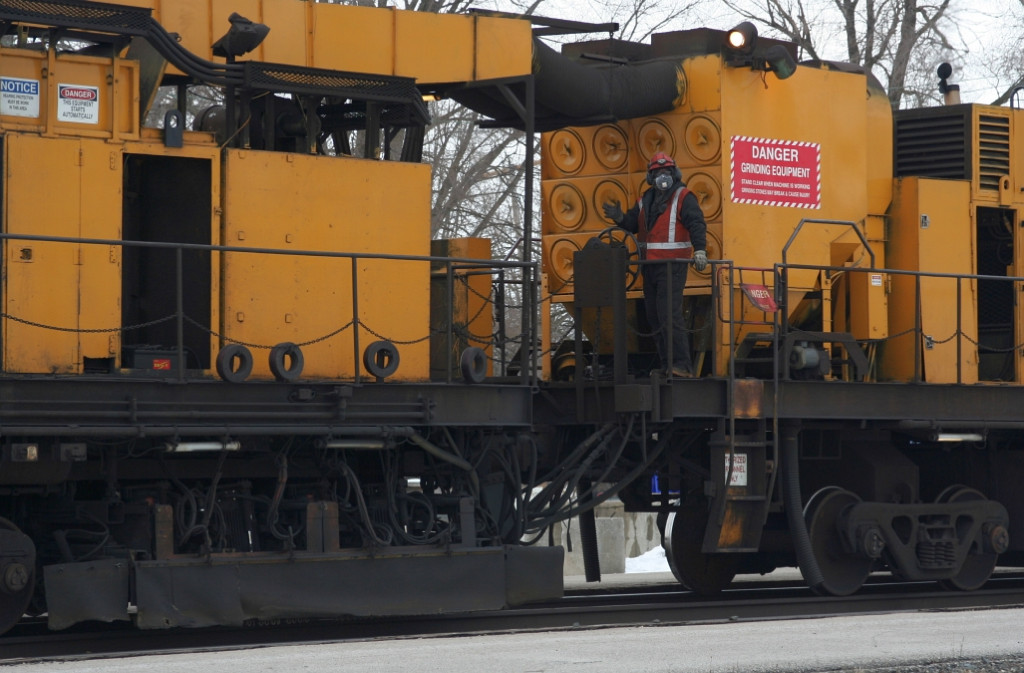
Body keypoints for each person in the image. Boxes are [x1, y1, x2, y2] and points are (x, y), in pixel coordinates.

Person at [602, 152, 708, 378]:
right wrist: (619, 217)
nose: (663, 176)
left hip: (672, 266)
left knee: (669, 314)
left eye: (667, 171)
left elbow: (696, 223)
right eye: (658, 172)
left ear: (674, 174)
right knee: (654, 317)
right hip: (649, 267)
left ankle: (682, 365)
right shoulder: (645, 200)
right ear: (651, 176)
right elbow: (631, 223)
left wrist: (700, 249)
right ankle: (667, 364)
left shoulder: (684, 197)